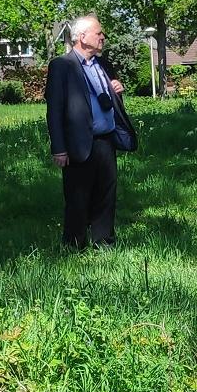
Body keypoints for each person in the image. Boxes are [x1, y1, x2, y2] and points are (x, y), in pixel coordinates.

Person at [45, 15, 136, 249]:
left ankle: (104, 242)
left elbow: (109, 100)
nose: (103, 37)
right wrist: (59, 148)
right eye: (99, 33)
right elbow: (54, 110)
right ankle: (74, 245)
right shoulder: (62, 66)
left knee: (106, 194)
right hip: (77, 143)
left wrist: (118, 90)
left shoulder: (103, 65)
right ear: (82, 37)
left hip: (106, 140)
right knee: (77, 197)